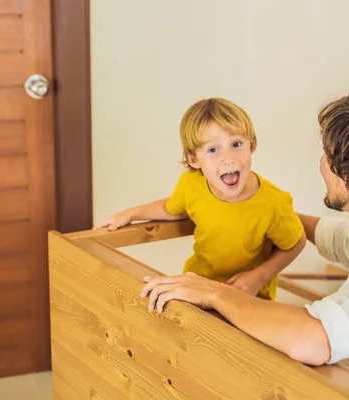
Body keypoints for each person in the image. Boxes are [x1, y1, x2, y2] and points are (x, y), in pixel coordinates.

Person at [140, 88, 349, 399]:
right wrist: (258, 211)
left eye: (327, 156)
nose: (321, 164)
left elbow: (310, 340)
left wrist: (214, 292)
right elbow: (340, 238)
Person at [95, 98, 306, 301]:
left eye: (236, 144)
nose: (228, 158)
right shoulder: (191, 185)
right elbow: (172, 209)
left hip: (247, 296)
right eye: (213, 149)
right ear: (194, 160)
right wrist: (130, 214)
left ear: (251, 146)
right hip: (198, 284)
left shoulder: (272, 202)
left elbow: (296, 243)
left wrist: (259, 277)